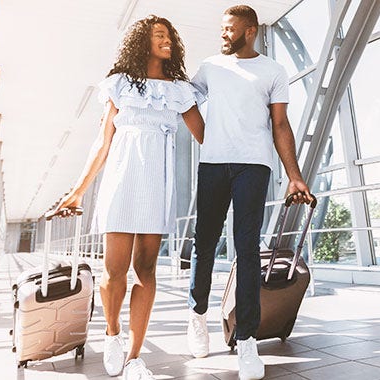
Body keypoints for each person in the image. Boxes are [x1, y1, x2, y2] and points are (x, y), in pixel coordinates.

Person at [55, 15, 204, 380]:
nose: (167, 41)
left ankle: (135, 357)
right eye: (159, 35)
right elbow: (102, 143)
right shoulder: (120, 84)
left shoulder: (180, 90)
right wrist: (77, 191)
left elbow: (207, 137)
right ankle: (112, 333)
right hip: (122, 179)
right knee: (113, 272)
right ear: (142, 42)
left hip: (157, 182)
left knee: (146, 269)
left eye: (170, 36)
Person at [185, 4, 314, 380]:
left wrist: (294, 175)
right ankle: (197, 316)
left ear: (250, 31)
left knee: (246, 248)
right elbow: (185, 102)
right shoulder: (210, 66)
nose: (223, 34)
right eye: (223, 28)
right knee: (205, 242)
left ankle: (246, 339)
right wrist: (208, 140)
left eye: (230, 28)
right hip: (213, 165)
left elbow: (280, 124)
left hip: (254, 166)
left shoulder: (273, 71)